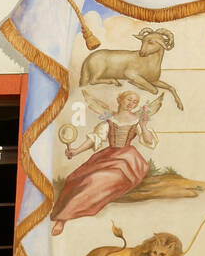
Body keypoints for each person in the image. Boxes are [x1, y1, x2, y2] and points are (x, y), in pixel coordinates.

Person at [51, 91, 158, 235]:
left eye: (135, 102)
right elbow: (95, 138)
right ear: (120, 99)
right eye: (129, 99)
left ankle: (63, 219)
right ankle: (62, 218)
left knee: (97, 180)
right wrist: (76, 151)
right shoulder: (109, 119)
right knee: (74, 179)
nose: (131, 104)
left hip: (128, 160)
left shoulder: (137, 121)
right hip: (108, 156)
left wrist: (144, 126)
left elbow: (149, 141)